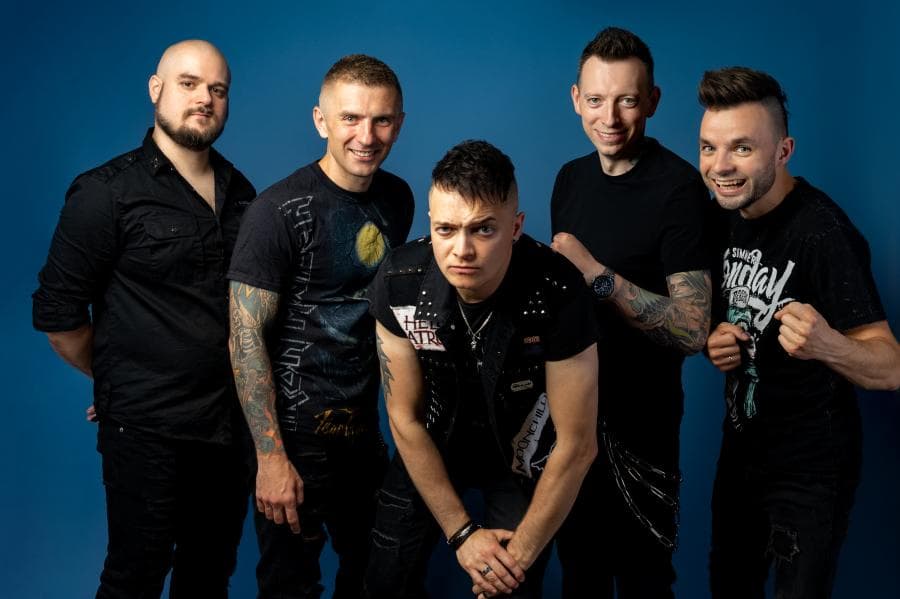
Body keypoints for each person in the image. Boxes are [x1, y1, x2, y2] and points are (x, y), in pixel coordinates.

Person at [32, 40, 255, 598]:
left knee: (210, 574)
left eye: (218, 89)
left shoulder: (241, 192)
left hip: (228, 428)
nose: (204, 99)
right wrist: (118, 379)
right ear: (156, 89)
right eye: (188, 84)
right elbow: (59, 315)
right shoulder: (105, 192)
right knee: (136, 574)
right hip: (147, 429)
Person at [363, 140, 599, 599]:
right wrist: (462, 533)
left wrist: (515, 560)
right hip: (431, 440)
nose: (462, 250)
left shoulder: (557, 289)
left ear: (516, 227)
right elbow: (404, 417)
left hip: (519, 454)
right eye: (446, 229)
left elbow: (577, 444)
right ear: (431, 224)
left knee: (511, 585)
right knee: (384, 581)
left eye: (483, 229)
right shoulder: (399, 280)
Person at [698, 66, 900, 599]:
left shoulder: (823, 232)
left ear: (783, 151)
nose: (720, 166)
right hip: (740, 452)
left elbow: (891, 366)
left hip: (810, 469)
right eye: (709, 148)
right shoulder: (722, 214)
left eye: (742, 148)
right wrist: (714, 340)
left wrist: (828, 344)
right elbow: (729, 313)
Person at [227, 54, 413, 598]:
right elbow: (244, 340)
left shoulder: (398, 199)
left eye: (381, 120)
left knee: (378, 578)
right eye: (350, 118)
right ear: (321, 120)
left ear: (399, 124)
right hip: (293, 438)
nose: (366, 136)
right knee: (289, 585)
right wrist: (270, 458)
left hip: (363, 434)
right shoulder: (277, 211)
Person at [549, 26, 714, 598]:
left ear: (652, 101)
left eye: (626, 100)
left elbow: (692, 329)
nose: (610, 117)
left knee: (645, 580)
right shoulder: (570, 180)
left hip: (644, 425)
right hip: (572, 420)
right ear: (576, 99)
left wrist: (597, 274)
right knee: (579, 577)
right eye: (596, 99)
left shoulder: (679, 189)